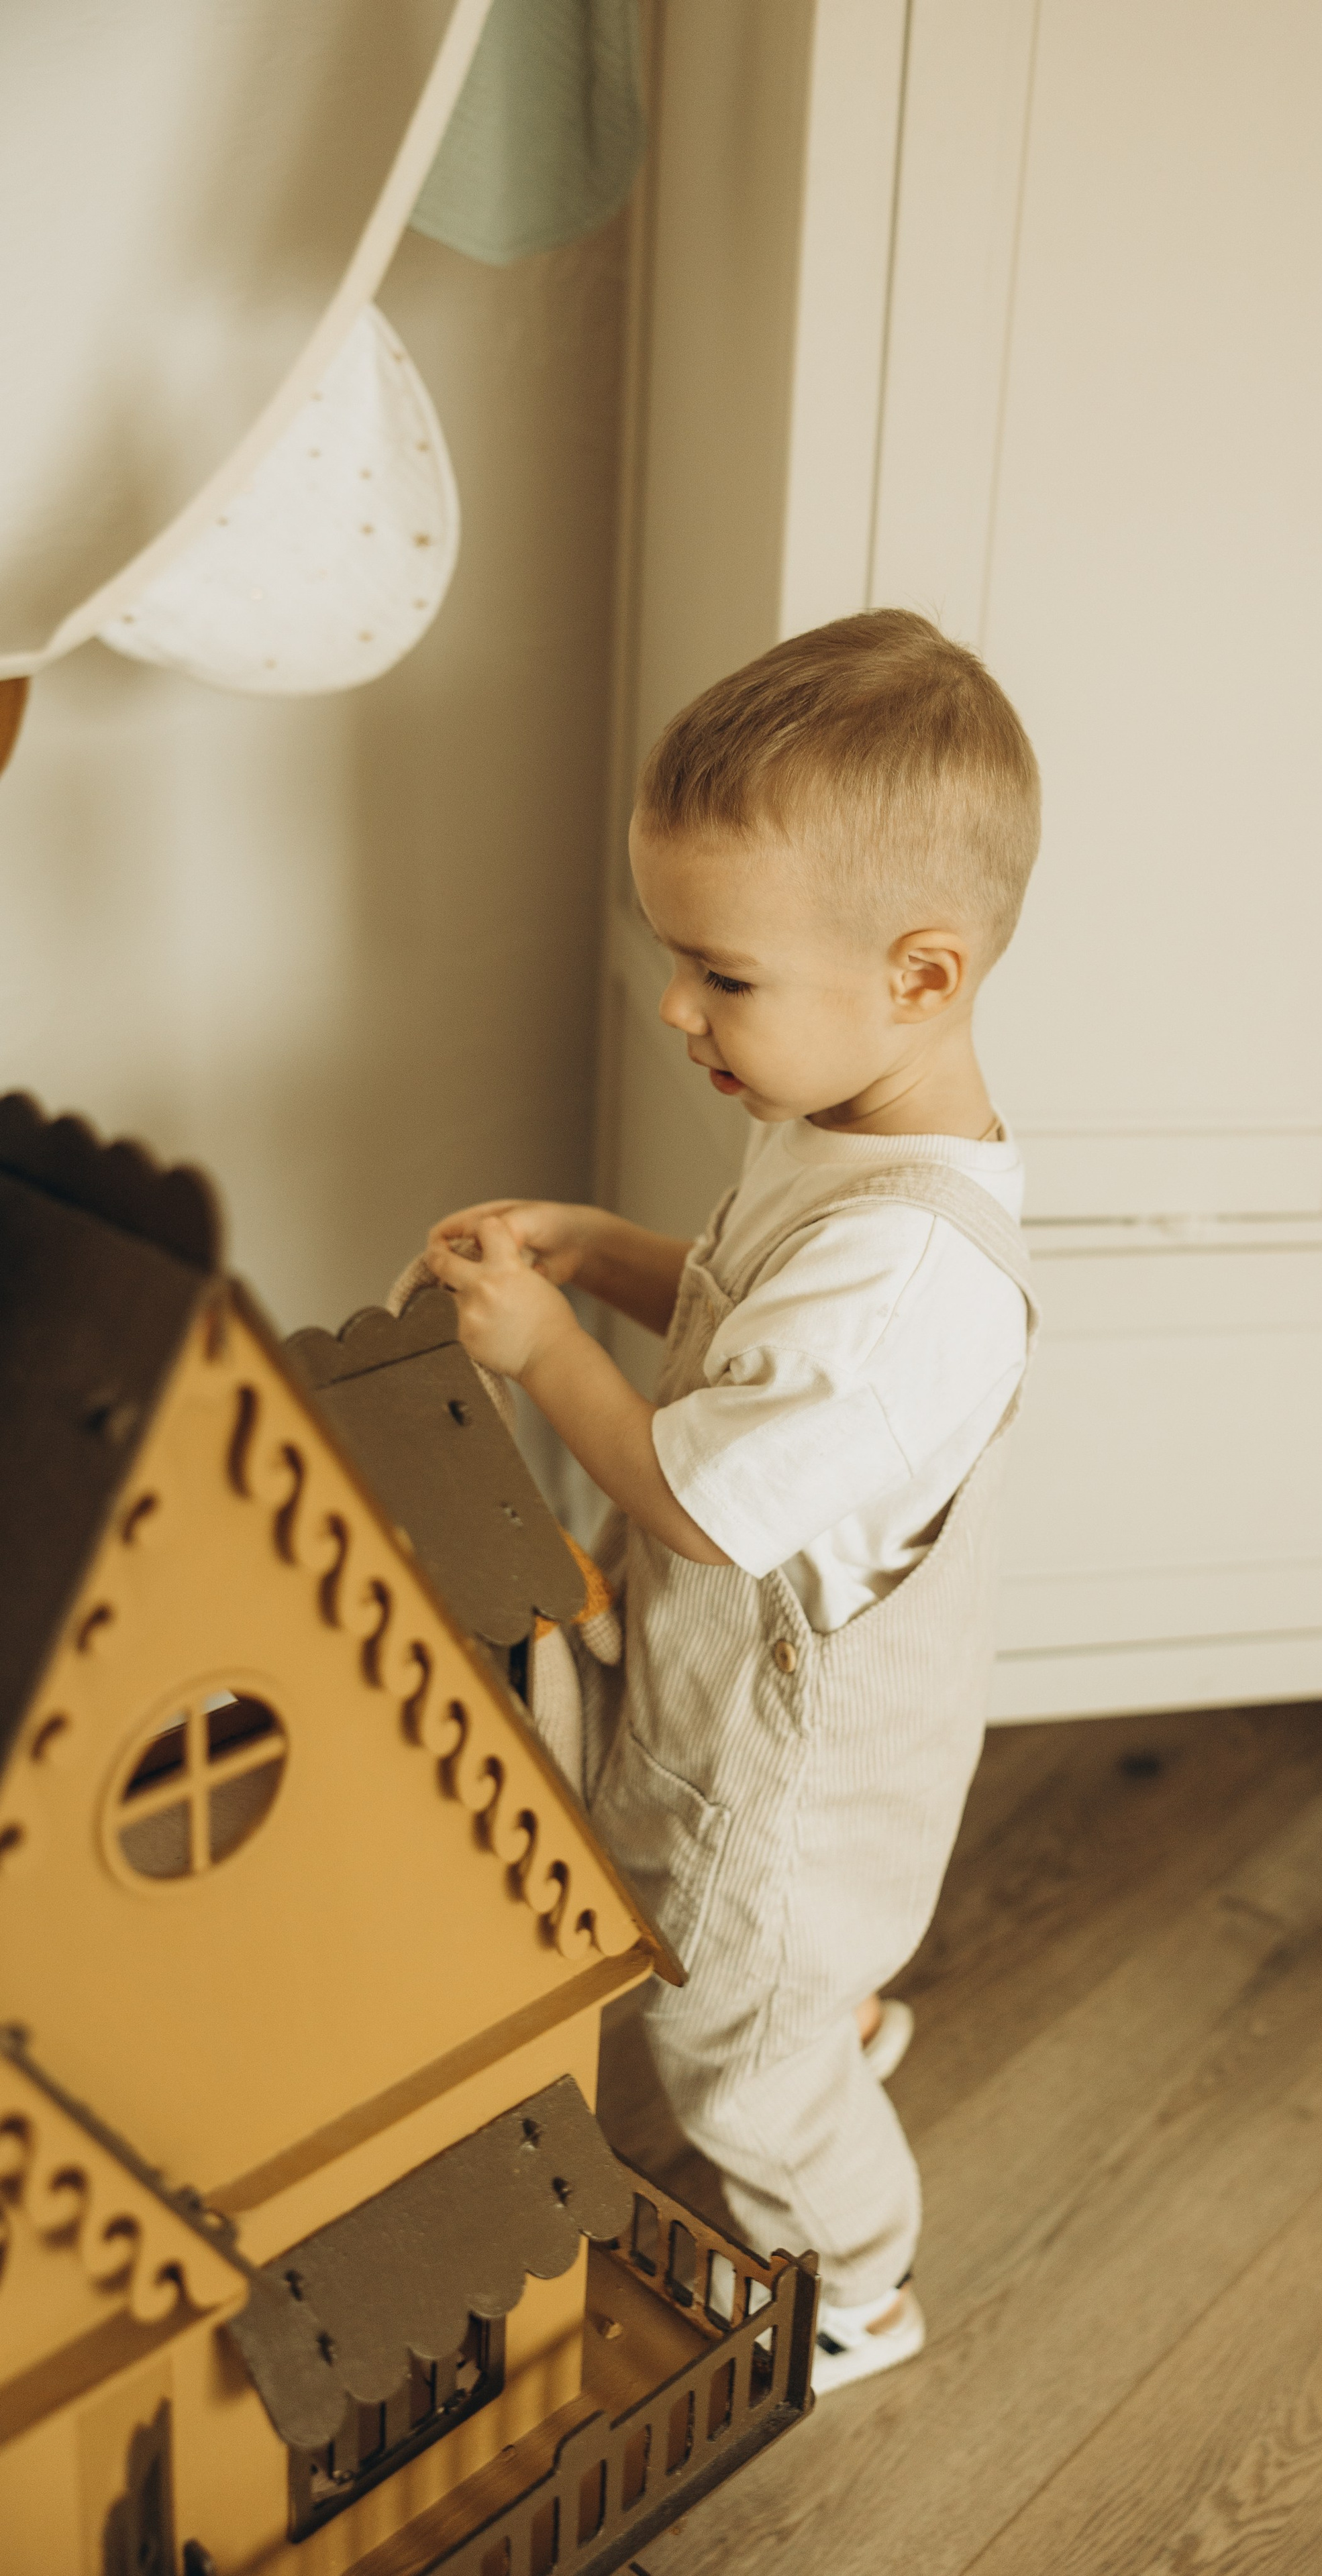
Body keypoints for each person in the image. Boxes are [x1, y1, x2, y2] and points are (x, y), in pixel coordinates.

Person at [423, 608, 1040, 2392]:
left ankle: (858, 2280)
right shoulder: (857, 1124)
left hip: (794, 1783)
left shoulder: (913, 1276)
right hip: (727, 1697)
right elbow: (751, 1315)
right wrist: (611, 1257)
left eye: (724, 977)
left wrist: (544, 1348)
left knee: (730, 2062)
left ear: (918, 976)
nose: (679, 1006)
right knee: (715, 1933)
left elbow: (698, 1501)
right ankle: (833, 2014)